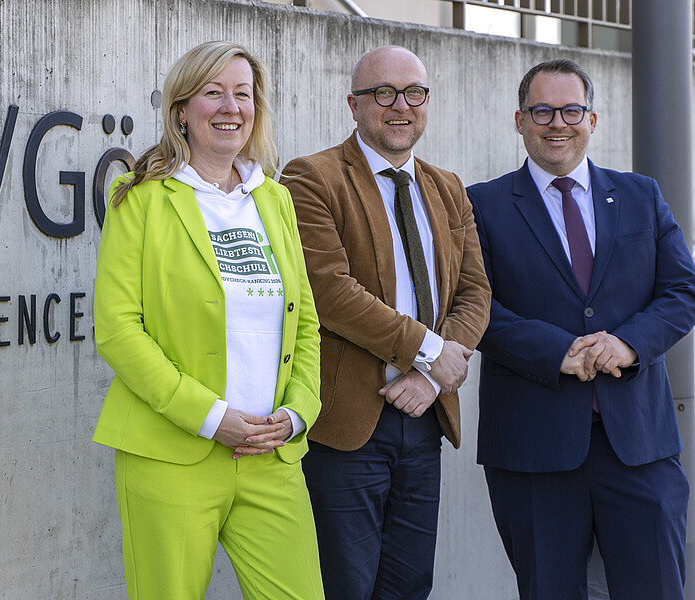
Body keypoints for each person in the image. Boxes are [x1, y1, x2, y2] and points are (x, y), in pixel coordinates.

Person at [92, 41, 324, 600]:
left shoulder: (275, 200)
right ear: (181, 110)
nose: (230, 107)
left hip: (271, 454)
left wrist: (297, 413)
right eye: (212, 92)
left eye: (242, 94)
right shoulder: (139, 198)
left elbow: (308, 324)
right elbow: (119, 329)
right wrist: (210, 416)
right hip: (173, 453)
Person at [467, 58, 695, 600]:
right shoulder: (482, 204)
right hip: (534, 446)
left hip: (638, 443)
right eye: (541, 110)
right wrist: (558, 352)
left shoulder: (641, 195)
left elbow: (682, 290)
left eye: (571, 109)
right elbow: (472, 307)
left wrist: (627, 343)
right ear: (519, 121)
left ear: (593, 119)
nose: (557, 123)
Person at [282, 46, 491, 600]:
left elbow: (475, 292)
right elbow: (328, 291)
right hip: (348, 423)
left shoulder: (447, 187)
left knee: (407, 584)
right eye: (383, 94)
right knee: (344, 585)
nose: (401, 106)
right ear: (354, 105)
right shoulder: (312, 178)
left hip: (425, 415)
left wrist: (434, 373)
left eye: (414, 93)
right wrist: (427, 349)